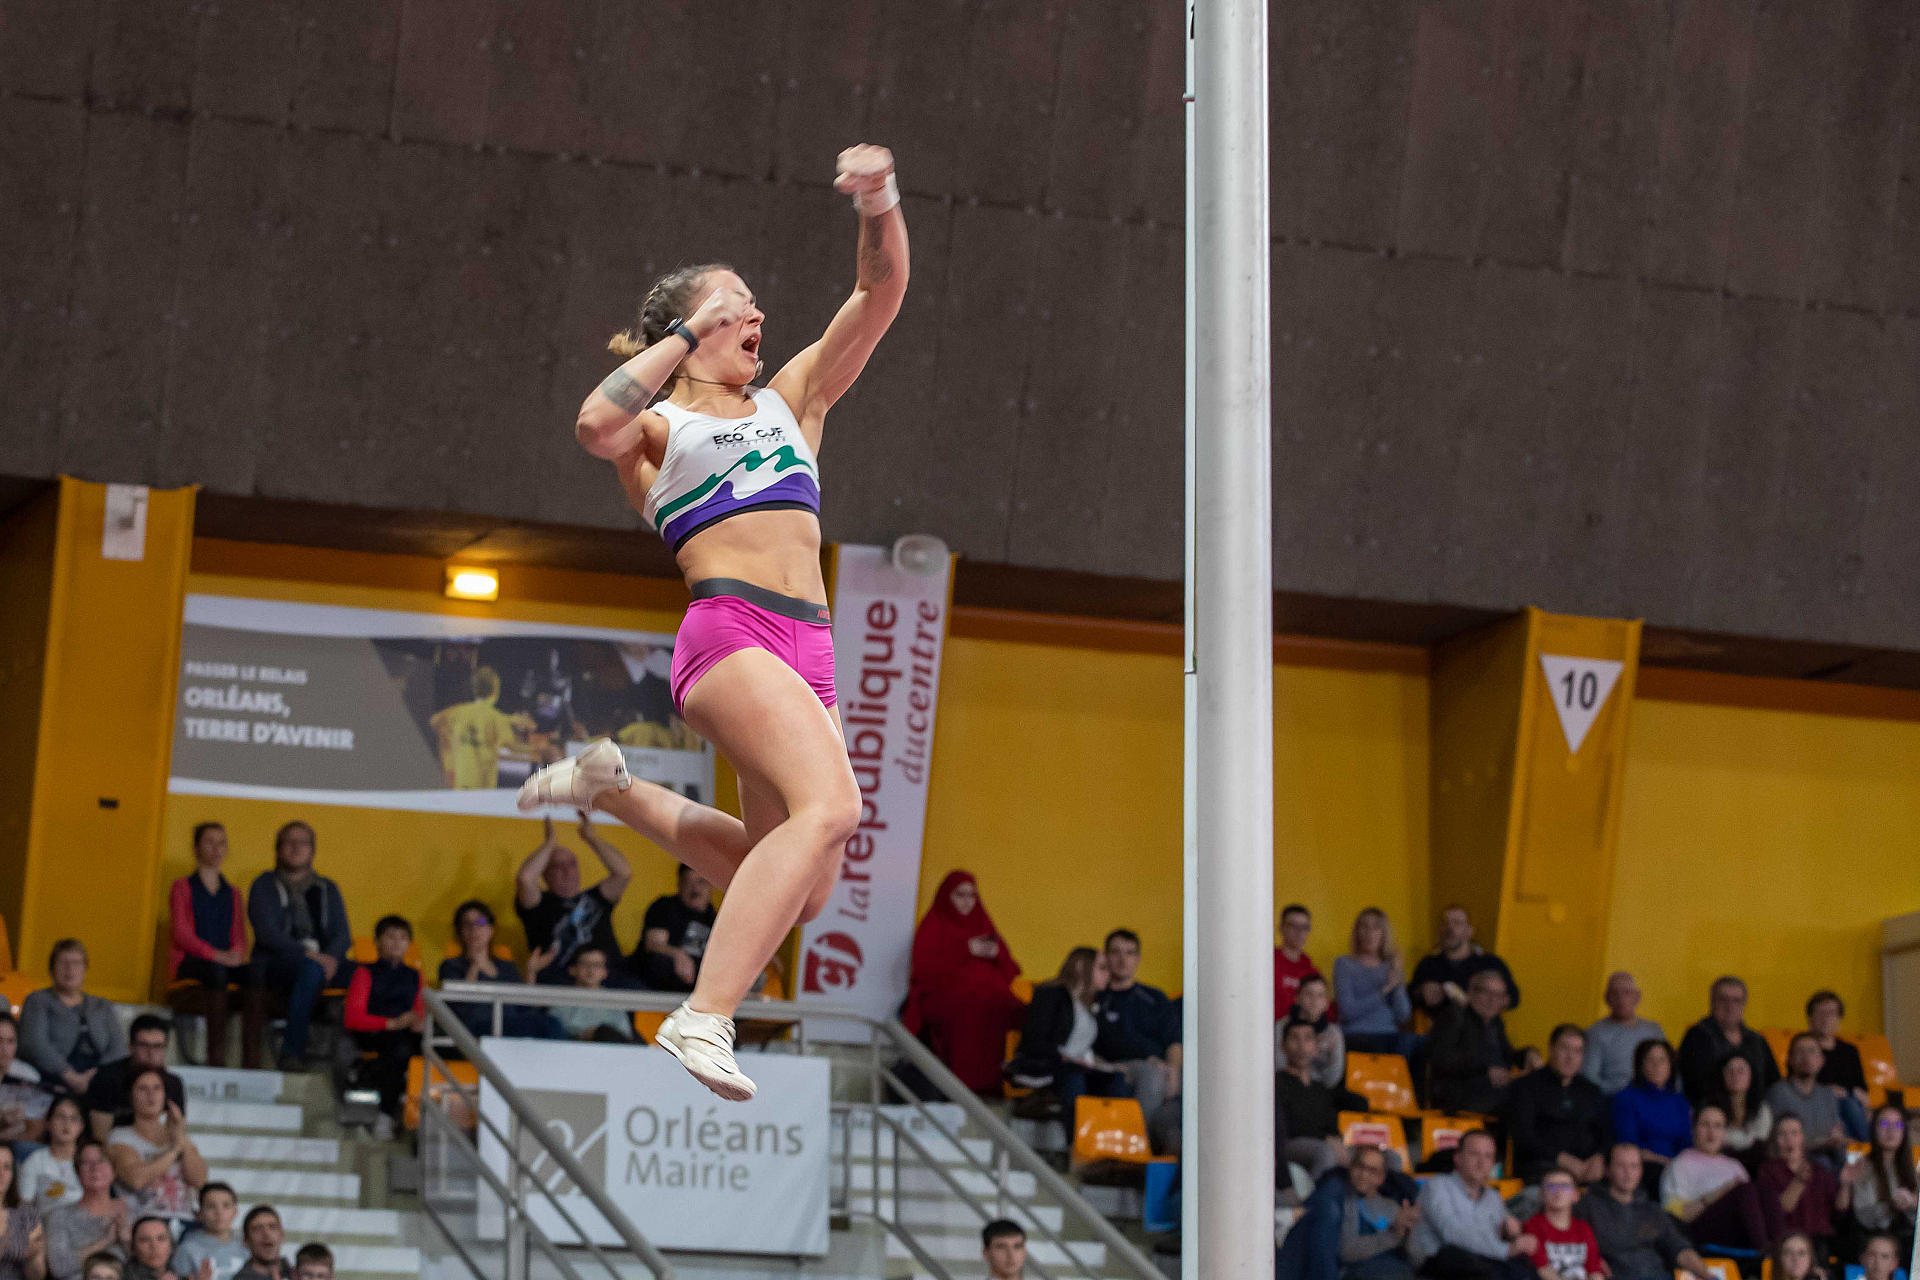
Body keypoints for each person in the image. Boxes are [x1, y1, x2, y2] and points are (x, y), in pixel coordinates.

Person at [512, 142, 909, 1103]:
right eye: (738, 304)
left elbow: (880, 292)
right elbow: (593, 425)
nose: (756, 316)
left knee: (804, 887)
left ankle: (609, 790)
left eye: (754, 304)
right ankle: (704, 1015)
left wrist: (878, 199)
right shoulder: (659, 430)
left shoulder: (791, 400)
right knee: (834, 809)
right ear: (691, 325)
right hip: (730, 633)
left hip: (809, 648)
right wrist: (691, 330)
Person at [899, 872, 1025, 1093]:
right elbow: (923, 970)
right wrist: (965, 949)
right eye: (960, 895)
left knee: (1019, 1012)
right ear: (947, 896)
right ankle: (965, 1089)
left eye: (972, 895)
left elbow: (1010, 972)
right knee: (969, 1011)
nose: (967, 901)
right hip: (947, 997)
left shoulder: (982, 923)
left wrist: (997, 954)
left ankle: (1006, 1087)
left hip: (989, 996)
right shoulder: (935, 923)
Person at [246, 822, 352, 1072]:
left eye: (303, 842)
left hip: (323, 961)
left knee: (366, 974)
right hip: (278, 961)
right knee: (311, 971)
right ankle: (292, 1052)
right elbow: (268, 934)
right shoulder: (264, 885)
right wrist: (313, 956)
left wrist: (330, 957)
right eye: (289, 842)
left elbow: (342, 934)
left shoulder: (327, 888)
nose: (296, 848)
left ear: (312, 851)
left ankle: (354, 1062)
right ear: (278, 849)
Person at [166, 822, 258, 1069]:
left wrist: (236, 954)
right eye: (209, 842)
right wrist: (215, 955)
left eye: (221, 843)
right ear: (196, 848)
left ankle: (252, 1058)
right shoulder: (182, 887)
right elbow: (181, 934)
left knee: (255, 973)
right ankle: (215, 1057)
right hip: (191, 963)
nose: (216, 848)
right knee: (217, 973)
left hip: (223, 963)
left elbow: (239, 935)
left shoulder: (233, 893)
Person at [513, 813, 632, 985]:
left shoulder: (597, 897)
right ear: (544, 874)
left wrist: (591, 837)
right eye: (558, 866)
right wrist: (549, 843)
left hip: (608, 983)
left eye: (572, 864)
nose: (567, 871)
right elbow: (525, 879)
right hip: (559, 985)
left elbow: (623, 873)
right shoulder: (538, 904)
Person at [1004, 947, 1127, 1114]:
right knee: (1074, 1077)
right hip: (1046, 1065)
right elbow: (1035, 1040)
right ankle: (1075, 1131)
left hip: (1076, 1067)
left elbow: (1087, 1049)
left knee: (1115, 1079)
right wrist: (1065, 1058)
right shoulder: (1050, 994)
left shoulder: (1092, 1004)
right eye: (1102, 968)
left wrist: (1104, 1064)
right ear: (1080, 966)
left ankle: (1109, 1129)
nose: (1108, 974)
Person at [1409, 1130, 1536, 1280]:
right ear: (1458, 1158)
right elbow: (1452, 1233)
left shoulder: (1493, 1197)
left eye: (1488, 1156)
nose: (1481, 1163)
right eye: (1474, 1154)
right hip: (1439, 1262)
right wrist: (1506, 1250)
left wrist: (1511, 1233)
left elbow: (1506, 1232)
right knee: (1456, 1256)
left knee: (1524, 1266)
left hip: (1483, 1262)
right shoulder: (1437, 1186)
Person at [1574, 1145, 1714, 1280]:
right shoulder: (1587, 1206)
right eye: (1621, 1165)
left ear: (1641, 1171)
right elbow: (1568, 1240)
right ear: (1608, 1170)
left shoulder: (1652, 1210)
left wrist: (1707, 1275)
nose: (1628, 1173)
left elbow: (1678, 1247)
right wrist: (1593, 1261)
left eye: (1634, 1166)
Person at [1092, 930, 1182, 1135]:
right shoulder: (1096, 998)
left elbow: (1174, 1042)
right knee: (1152, 1074)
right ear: (1106, 957)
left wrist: (1174, 1072)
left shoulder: (1154, 997)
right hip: (1117, 1067)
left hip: (1161, 1067)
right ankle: (1136, 1142)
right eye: (1116, 952)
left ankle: (1166, 1145)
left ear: (1138, 959)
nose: (1122, 959)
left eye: (1130, 952)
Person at [341, 917, 425, 1130]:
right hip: (374, 1032)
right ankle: (385, 1115)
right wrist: (391, 1024)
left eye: (403, 937)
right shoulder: (364, 972)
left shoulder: (415, 975)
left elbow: (419, 1011)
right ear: (377, 941)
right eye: (390, 936)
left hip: (404, 1032)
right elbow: (353, 1018)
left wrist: (417, 1021)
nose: (397, 942)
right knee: (400, 1050)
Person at [435, 902, 560, 1041]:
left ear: (491, 929)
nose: (474, 928)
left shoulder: (507, 967)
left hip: (510, 1029)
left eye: (480, 922)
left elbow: (524, 1007)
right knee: (546, 1026)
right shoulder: (450, 966)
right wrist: (474, 965)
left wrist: (531, 972)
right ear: (460, 932)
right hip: (475, 1029)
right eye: (467, 924)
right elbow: (460, 1008)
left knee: (551, 1023)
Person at [1509, 1025, 1611, 1185]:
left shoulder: (1592, 1091)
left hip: (1588, 1173)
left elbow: (1607, 1133)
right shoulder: (1526, 1087)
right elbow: (1523, 1135)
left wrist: (1600, 1157)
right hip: (1541, 1170)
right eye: (1564, 1048)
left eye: (1577, 1051)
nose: (1570, 1057)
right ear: (1551, 1049)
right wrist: (1562, 1159)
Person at [18, 944, 124, 1098]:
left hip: (96, 1077)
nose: (70, 969)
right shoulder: (37, 1001)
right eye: (63, 963)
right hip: (52, 1076)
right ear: (52, 968)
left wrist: (94, 1074)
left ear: (85, 969)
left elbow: (118, 1047)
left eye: (76, 963)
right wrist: (69, 1075)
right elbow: (35, 1044)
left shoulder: (102, 1005)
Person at [1660, 1104, 1770, 1252]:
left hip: (1738, 1231)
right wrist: (1719, 1194)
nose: (1711, 1132)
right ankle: (1766, 1253)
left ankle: (1781, 1250)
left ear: (1725, 1133)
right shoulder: (1680, 1164)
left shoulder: (1735, 1165)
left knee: (1765, 1190)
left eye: (1718, 1126)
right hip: (1699, 1233)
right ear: (1694, 1129)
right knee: (1744, 1191)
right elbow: (1675, 1217)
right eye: (1705, 1125)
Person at [105, 1069, 204, 1227]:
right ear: (130, 1096)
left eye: (157, 1088)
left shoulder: (178, 1136)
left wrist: (181, 1136)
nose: (151, 1095)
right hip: (143, 1224)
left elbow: (199, 1180)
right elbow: (137, 1180)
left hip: (183, 1222)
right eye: (143, 1088)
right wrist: (175, 1150)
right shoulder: (120, 1137)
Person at [1277, 1021, 1370, 1179]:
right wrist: (1327, 1139)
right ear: (1283, 1046)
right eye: (1294, 1038)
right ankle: (1321, 1195)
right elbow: (1285, 1127)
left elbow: (1330, 1125)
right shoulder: (1277, 1083)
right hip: (1291, 1144)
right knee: (1325, 1151)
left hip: (1324, 1143)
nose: (1302, 1046)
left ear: (1315, 1047)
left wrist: (1336, 1141)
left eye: (1308, 1039)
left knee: (1379, 1156)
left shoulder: (1321, 1088)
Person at [1428, 970, 1519, 1117]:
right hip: (1460, 1091)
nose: (1493, 1000)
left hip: (1495, 1090)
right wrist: (1485, 1070)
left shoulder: (1496, 1023)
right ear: (1471, 993)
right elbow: (1441, 1058)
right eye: (1487, 992)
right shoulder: (1454, 1016)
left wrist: (1529, 1054)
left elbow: (1508, 1056)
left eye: (1499, 995)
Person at [1676, 977, 1779, 1107]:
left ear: (1744, 1004)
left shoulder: (1757, 1041)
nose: (1730, 1006)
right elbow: (1689, 1085)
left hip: (1754, 1113)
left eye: (1736, 1000)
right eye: (1723, 999)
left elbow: (1774, 1084)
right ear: (1712, 1002)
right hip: (1709, 1113)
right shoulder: (1696, 1037)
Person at [429, 667, 534, 789]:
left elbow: (435, 721)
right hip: (483, 789)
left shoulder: (455, 713)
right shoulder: (497, 719)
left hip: (459, 786)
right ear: (495, 689)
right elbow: (511, 747)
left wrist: (448, 746)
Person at [1756, 1114, 1853, 1245]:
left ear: (1802, 1137)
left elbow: (1839, 1210)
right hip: (1790, 1242)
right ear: (1775, 1140)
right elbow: (1776, 1211)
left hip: (1823, 1240)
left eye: (1794, 1133)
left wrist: (1845, 1184)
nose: (1789, 1139)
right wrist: (1798, 1182)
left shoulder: (1819, 1170)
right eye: (1782, 1134)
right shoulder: (1768, 1171)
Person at [85, 1020, 185, 1143]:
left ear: (166, 1048)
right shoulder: (107, 1078)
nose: (151, 1053)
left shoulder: (174, 1083)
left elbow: (177, 1133)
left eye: (158, 1046)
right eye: (144, 1045)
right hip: (114, 1147)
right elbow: (100, 1139)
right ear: (131, 1047)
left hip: (158, 1147)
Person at [1411, 907, 1521, 1019]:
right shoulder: (1428, 963)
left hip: (1478, 1027)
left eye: (1457, 923)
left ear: (1470, 931)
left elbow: (1513, 998)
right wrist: (1421, 992)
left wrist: (1484, 999)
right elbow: (1408, 997)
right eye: (1445, 923)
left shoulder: (1490, 963)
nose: (1450, 927)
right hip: (1437, 1026)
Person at [1336, 909, 1416, 1059]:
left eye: (1376, 927)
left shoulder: (1391, 966)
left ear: (1384, 934)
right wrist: (1384, 991)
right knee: (1381, 1050)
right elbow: (1347, 1011)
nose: (1370, 933)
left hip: (1390, 1035)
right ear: (1357, 932)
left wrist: (1396, 980)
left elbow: (1403, 1014)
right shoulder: (1344, 964)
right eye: (1364, 926)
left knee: (1418, 1044)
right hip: (1357, 1035)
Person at [1609, 1040, 1689, 1188]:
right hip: (1643, 1168)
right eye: (1651, 1060)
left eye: (1662, 1060)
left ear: (1671, 1065)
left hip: (1677, 1169)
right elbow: (1629, 1146)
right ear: (1641, 1065)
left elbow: (1686, 1144)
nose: (1657, 1066)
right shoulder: (1627, 1098)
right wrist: (1667, 1163)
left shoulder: (1679, 1101)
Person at [43, 1141, 127, 1280]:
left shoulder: (130, 1210)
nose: (95, 1168)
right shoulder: (59, 1216)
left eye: (101, 1161)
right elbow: (59, 1267)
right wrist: (105, 1241)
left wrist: (126, 1240)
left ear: (114, 1170)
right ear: (77, 1172)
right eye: (86, 1163)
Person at [1765, 1035, 1852, 1166]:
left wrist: (1839, 1141)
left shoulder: (1828, 1095)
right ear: (1790, 1059)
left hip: (1828, 1162)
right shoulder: (1778, 1093)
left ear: (1821, 1060)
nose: (1806, 1057)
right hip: (1792, 1164)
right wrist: (1820, 1143)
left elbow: (1837, 1141)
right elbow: (1776, 1145)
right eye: (1800, 1051)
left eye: (1812, 1051)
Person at [1341, 1143, 1421, 1280]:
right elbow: (1346, 1252)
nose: (1363, 1175)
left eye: (1372, 1171)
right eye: (1359, 1166)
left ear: (1381, 1177)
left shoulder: (1392, 1207)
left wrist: (1409, 1233)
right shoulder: (1342, 1202)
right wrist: (1393, 1234)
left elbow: (1415, 1257)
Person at [632, 866, 717, 993]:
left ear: (711, 885)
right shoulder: (665, 906)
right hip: (654, 984)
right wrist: (678, 955)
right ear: (679, 884)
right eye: (688, 882)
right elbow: (654, 944)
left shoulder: (715, 918)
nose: (695, 888)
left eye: (701, 882)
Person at [1848, 1105, 1916, 1260]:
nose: (1891, 1130)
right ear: (1874, 1129)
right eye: (1884, 1124)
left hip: (1907, 1242)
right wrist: (1890, 1207)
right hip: (1872, 1240)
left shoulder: (1912, 1170)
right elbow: (1863, 1217)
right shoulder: (1862, 1166)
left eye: (1898, 1125)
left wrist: (1913, 1204)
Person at [1803, 993, 1872, 1144]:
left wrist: (1846, 1092)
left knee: (1849, 1104)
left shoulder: (1850, 1051)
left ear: (1839, 1018)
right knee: (1842, 1104)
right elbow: (1798, 1083)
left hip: (1849, 1105)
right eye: (1820, 1013)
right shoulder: (1803, 1049)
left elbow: (1861, 1089)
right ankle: (1868, 1144)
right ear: (1810, 1018)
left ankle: (1858, 1145)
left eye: (1831, 1013)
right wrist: (1828, 1092)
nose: (1826, 1019)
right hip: (1817, 1105)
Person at [1582, 974, 1663, 1097]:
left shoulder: (1653, 1030)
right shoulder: (1595, 1033)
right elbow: (1590, 1077)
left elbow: (1669, 1070)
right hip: (1613, 1099)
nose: (1621, 999)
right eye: (1615, 993)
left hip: (1654, 1097)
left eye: (1627, 993)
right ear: (1607, 998)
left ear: (1637, 997)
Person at [1522, 1170, 1606, 1280]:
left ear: (1576, 1195)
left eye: (1565, 1186)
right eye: (1551, 1187)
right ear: (1541, 1195)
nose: (1558, 1192)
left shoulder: (1583, 1228)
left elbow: (1594, 1270)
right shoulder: (1533, 1226)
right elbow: (1542, 1270)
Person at [551, 949, 638, 1044]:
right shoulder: (561, 997)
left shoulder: (613, 999)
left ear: (605, 972)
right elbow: (553, 1032)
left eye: (597, 965)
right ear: (572, 969)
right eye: (585, 964)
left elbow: (624, 1035)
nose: (591, 970)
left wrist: (601, 1033)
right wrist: (583, 1035)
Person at [1706, 1053, 1774, 1170]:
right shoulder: (1711, 1108)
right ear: (1722, 1075)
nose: (1735, 1075)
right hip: (1716, 1165)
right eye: (1730, 1071)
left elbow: (1760, 1142)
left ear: (1751, 1075)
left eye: (1741, 1071)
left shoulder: (1762, 1109)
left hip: (1755, 1166)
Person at [1282, 973, 1349, 1089]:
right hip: (1285, 1087)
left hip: (1322, 1090)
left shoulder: (1334, 1033)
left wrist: (1313, 1086)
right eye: (1309, 994)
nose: (1314, 1000)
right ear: (1297, 998)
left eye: (1320, 995)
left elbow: (1335, 1074)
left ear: (1326, 1003)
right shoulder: (1282, 1026)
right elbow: (1278, 1064)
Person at [168, 1184, 245, 1280]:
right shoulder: (186, 1249)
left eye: (226, 1205)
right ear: (200, 1213)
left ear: (235, 1211)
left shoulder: (247, 1246)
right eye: (211, 1206)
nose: (219, 1212)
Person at [0, 1014, 52, 1155]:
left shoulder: (29, 1075)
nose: (4, 1049)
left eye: (10, 1041)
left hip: (18, 1144)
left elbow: (36, 1127)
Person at [19, 1100, 83, 1209]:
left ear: (81, 1126)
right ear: (48, 1123)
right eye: (60, 1116)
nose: (66, 1123)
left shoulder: (89, 1160)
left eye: (73, 1118)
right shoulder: (35, 1161)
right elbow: (25, 1204)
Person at [0, 1144, 47, 1280]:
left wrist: (32, 1256)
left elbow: (37, 1276)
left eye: (7, 1167)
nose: (1, 1173)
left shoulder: (26, 1213)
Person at [1276, 905, 1326, 1020]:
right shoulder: (1268, 964)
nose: (1299, 932)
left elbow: (1323, 1011)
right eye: (1292, 926)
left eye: (1304, 927)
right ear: (1281, 928)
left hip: (1305, 1027)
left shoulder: (1312, 971)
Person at [230, 1208, 286, 1280]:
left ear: (282, 1235)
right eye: (257, 1229)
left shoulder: (294, 1273)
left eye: (272, 1227)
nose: (267, 1233)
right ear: (246, 1240)